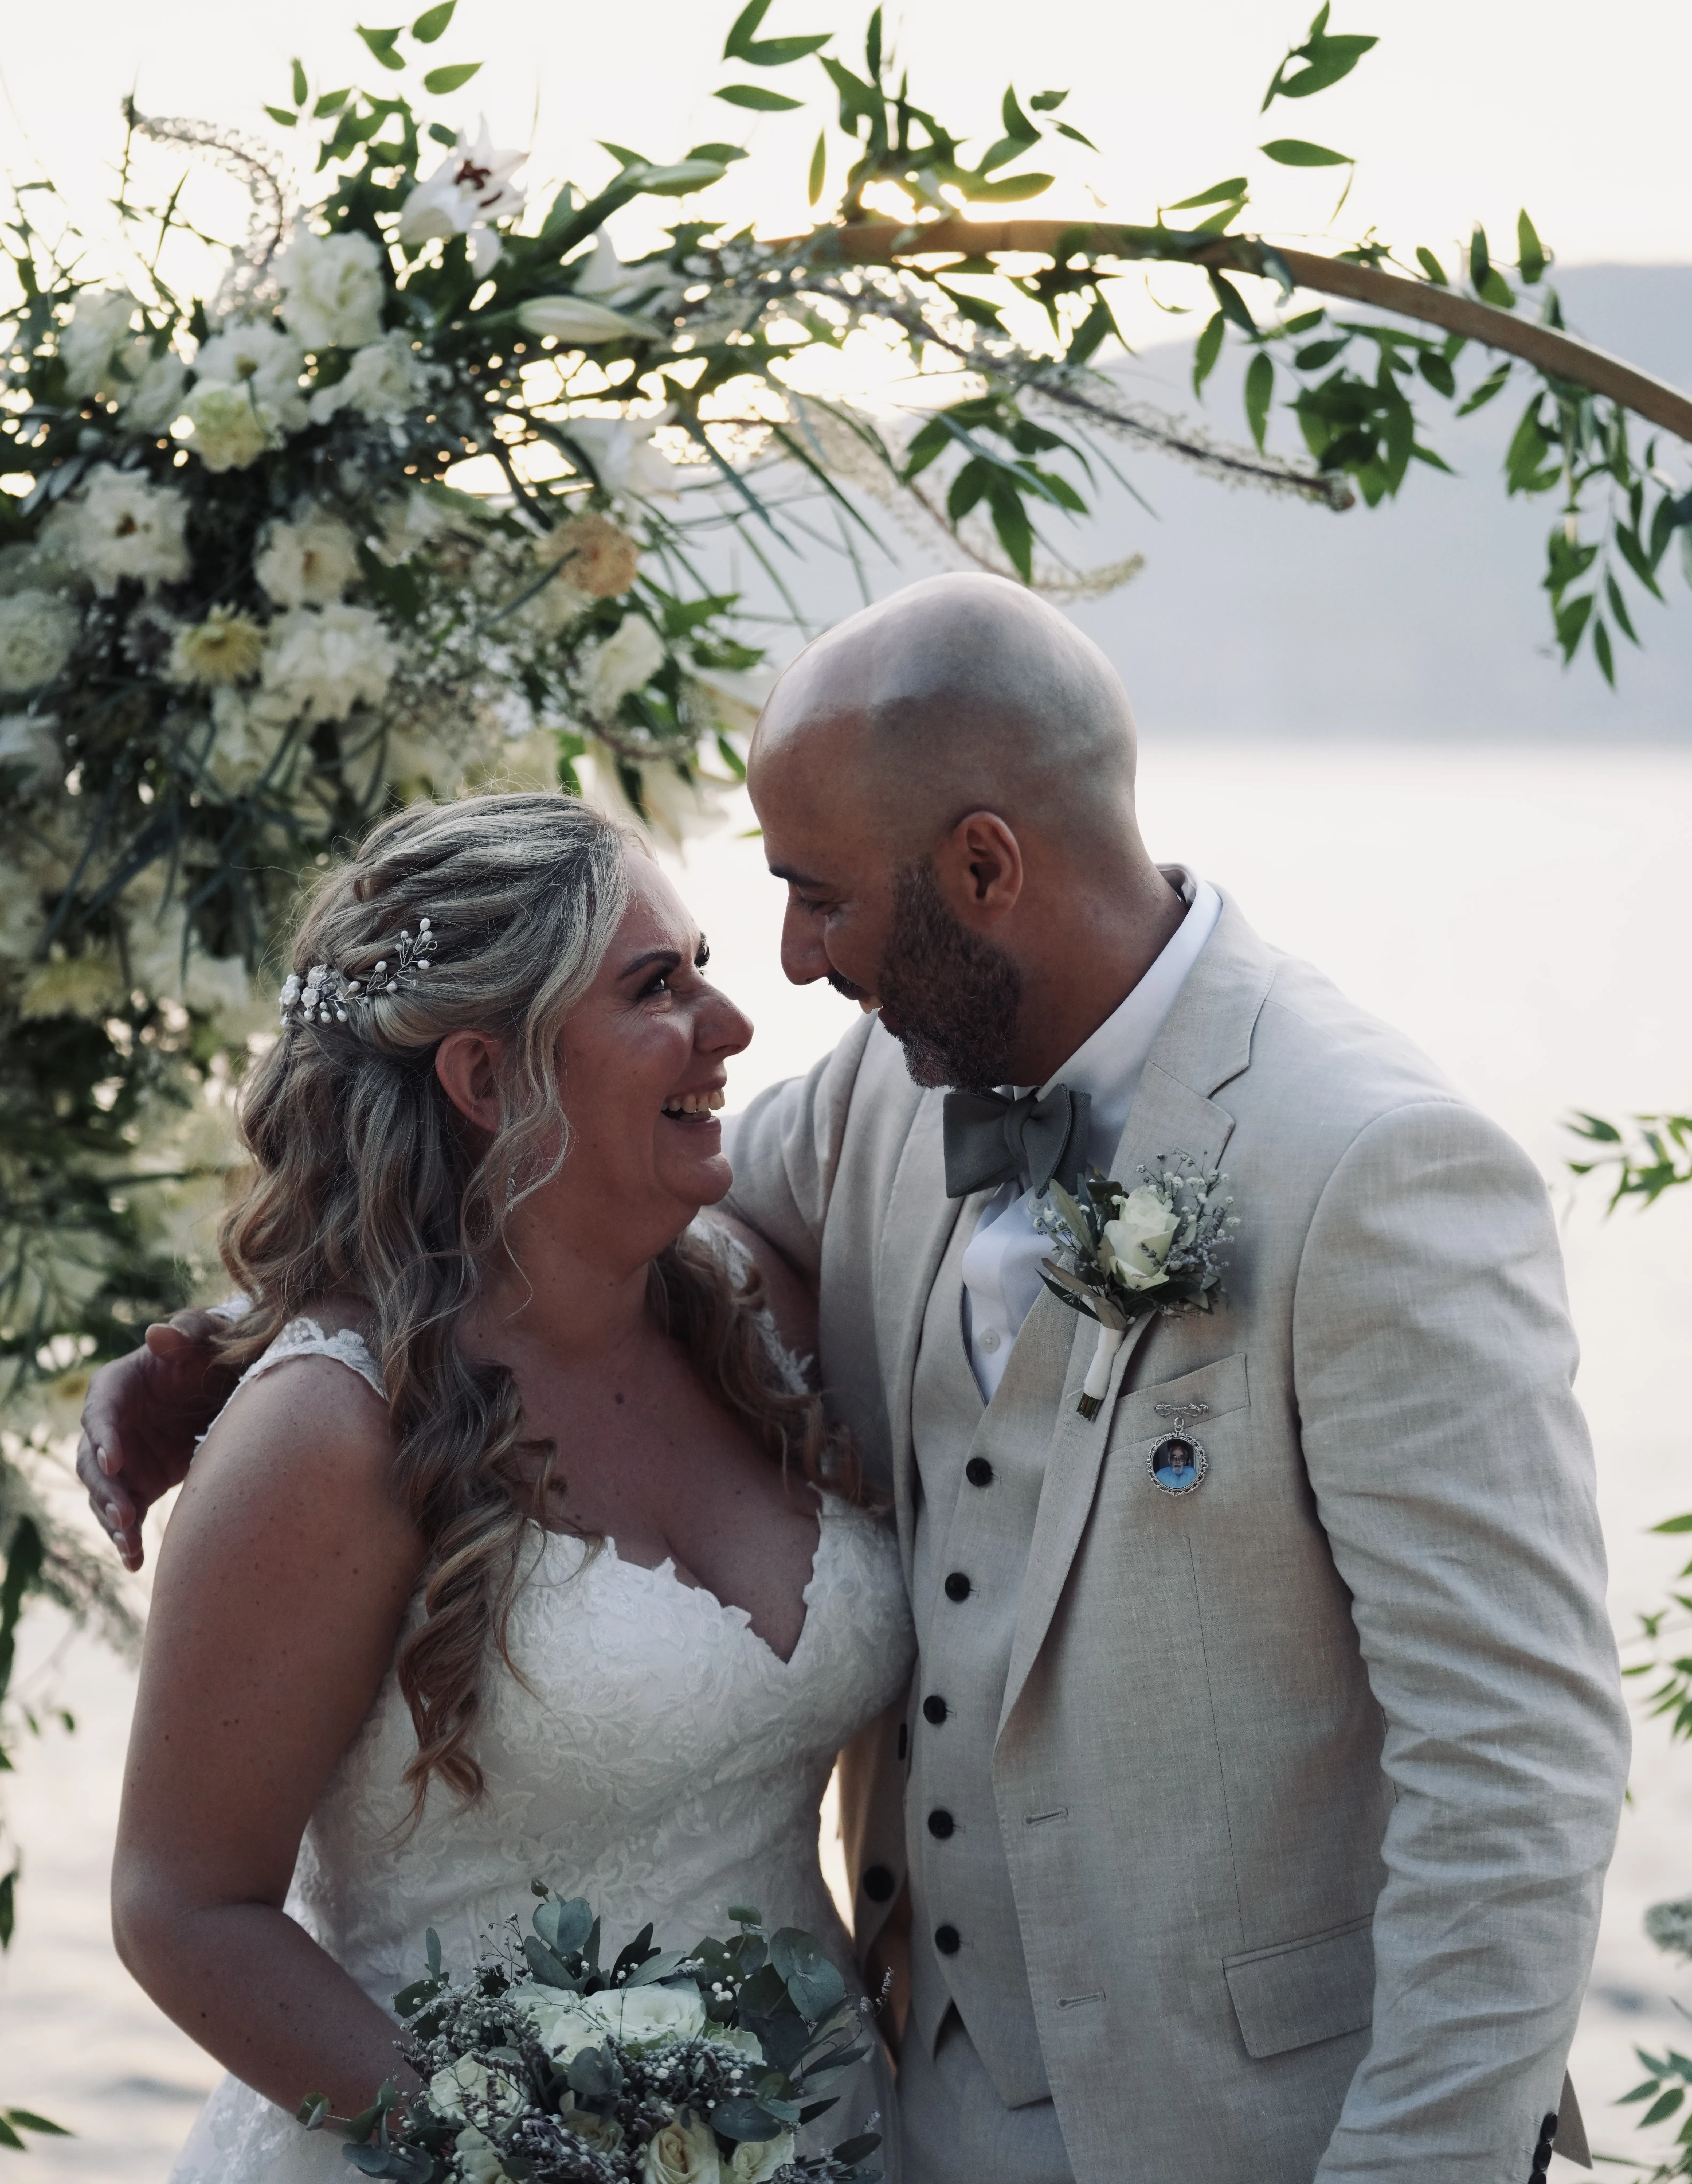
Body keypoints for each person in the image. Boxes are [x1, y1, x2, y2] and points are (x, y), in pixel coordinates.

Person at [86, 575, 1630, 2184]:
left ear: (983, 866)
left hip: (1247, 2132)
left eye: (816, 897)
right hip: (923, 2129)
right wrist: (251, 1358)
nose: (789, 974)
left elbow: (1517, 1760)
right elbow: (523, 1223)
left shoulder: (1375, 1165)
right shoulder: (894, 1102)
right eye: (679, 967)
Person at [103, 791, 913, 2183]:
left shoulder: (752, 1302)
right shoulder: (327, 1435)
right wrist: (527, 2158)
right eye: (656, 988)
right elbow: (183, 1909)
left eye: (704, 969)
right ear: (488, 1079)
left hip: (828, 2141)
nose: (730, 1026)